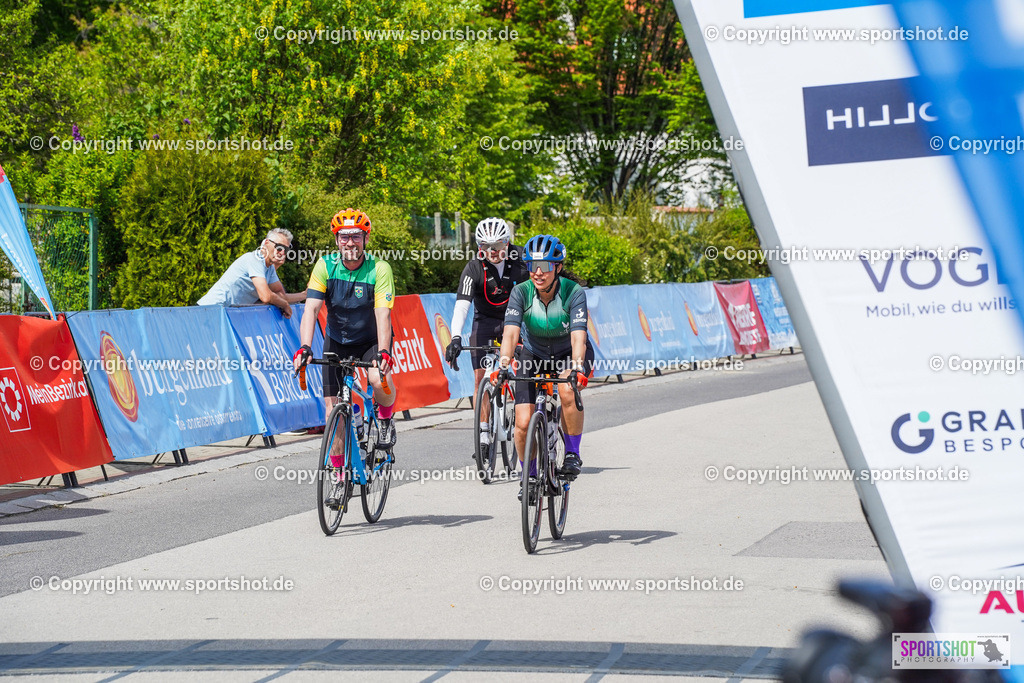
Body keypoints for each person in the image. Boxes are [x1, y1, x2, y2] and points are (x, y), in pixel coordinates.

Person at [491, 234, 593, 499]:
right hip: (534, 353)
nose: (538, 272)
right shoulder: (520, 292)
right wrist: (503, 365)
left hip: (569, 352)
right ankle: (531, 475)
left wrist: (577, 367)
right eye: (533, 265)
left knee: (568, 392)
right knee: (523, 423)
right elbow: (511, 334)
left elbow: (578, 335)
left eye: (545, 266)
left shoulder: (573, 292)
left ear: (557, 267)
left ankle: (571, 453)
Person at [292, 208, 398, 451]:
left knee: (378, 378)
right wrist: (305, 347)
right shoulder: (325, 265)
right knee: (333, 413)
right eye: (344, 236)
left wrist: (383, 351)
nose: (350, 242)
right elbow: (310, 310)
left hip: (371, 339)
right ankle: (340, 476)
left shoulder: (380, 268)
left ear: (366, 239)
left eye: (356, 236)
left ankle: (385, 418)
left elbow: (383, 313)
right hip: (337, 340)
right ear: (337, 240)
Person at [443, 217, 529, 456]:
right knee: (480, 376)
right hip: (486, 320)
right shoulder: (473, 267)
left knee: (523, 368)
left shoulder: (522, 259)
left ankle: (523, 417)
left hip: (516, 318)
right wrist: (456, 338)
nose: (492, 252)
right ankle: (483, 433)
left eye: (498, 246)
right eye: (486, 247)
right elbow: (462, 305)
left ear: (507, 243)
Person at [198, 228, 305, 316]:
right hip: (210, 311)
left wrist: (305, 295)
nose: (282, 253)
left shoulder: (270, 268)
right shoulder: (255, 259)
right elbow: (266, 296)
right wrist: (284, 304)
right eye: (279, 248)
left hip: (224, 313)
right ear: (267, 243)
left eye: (286, 250)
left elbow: (281, 295)